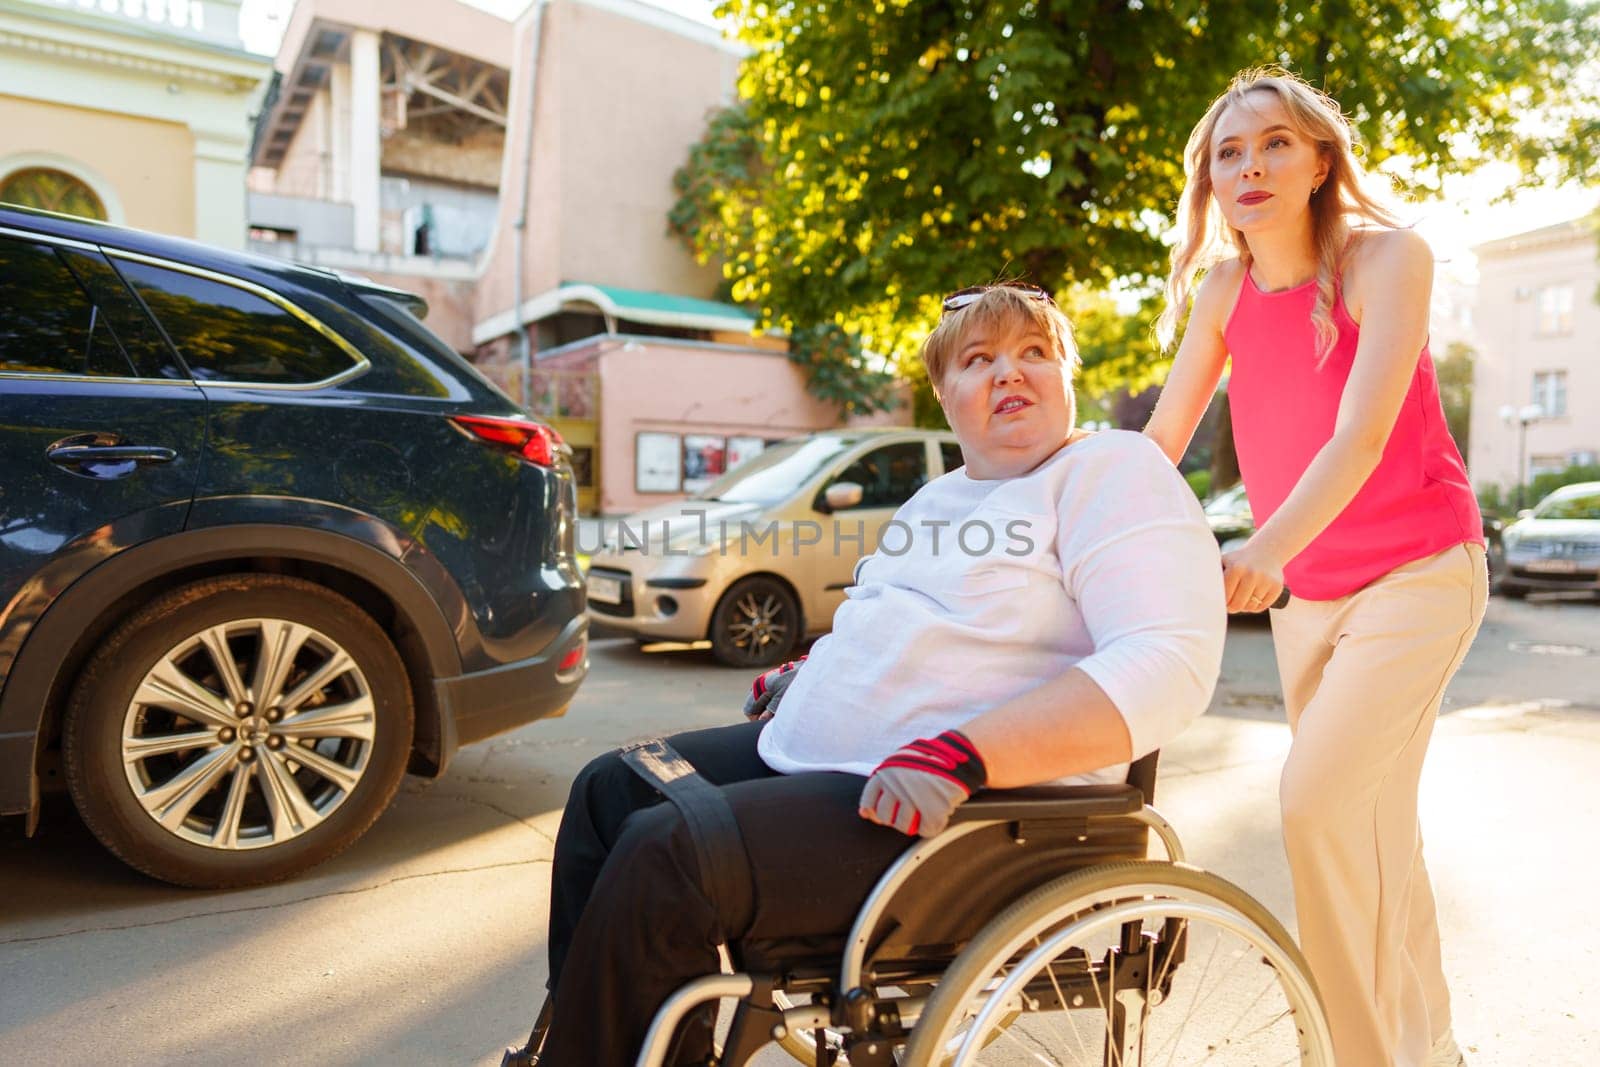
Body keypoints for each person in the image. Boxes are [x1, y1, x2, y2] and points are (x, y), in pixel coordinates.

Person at [516, 284, 1227, 1066]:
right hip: (836, 761)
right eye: (978, 359)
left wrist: (963, 752)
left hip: (978, 810)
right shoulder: (943, 495)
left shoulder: (1110, 470)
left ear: (1068, 376)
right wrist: (810, 673)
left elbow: (1166, 661)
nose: (1010, 374)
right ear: (944, 395)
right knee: (607, 789)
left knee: (668, 853)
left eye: (1035, 354)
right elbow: (891, 619)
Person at [1145, 68, 1487, 1067]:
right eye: (1227, 152)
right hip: (1313, 596)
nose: (1249, 165)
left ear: (1319, 158)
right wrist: (1048, 505)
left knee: (1314, 804)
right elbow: (1160, 437)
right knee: (1374, 830)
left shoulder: (1386, 259)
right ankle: (1434, 1049)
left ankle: (1357, 1054)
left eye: (1274, 143)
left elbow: (1361, 435)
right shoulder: (1221, 288)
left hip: (1420, 573)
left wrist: (1262, 548)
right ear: (1207, 180)